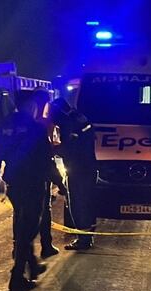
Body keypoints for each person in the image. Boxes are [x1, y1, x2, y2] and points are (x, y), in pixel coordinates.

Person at [0, 91, 57, 291]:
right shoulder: (35, 128)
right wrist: (58, 182)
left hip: (14, 183)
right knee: (30, 227)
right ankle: (17, 276)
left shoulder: (5, 124)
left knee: (22, 223)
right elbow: (46, 160)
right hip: (33, 183)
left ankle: (32, 265)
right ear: (29, 105)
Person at [49, 98, 97, 250]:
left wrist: (52, 149)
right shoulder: (79, 118)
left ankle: (84, 239)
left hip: (78, 169)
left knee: (77, 204)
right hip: (87, 167)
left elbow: (71, 149)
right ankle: (87, 235)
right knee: (86, 203)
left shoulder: (69, 124)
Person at [33, 88, 65, 258]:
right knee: (44, 210)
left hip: (21, 176)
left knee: (21, 213)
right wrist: (60, 183)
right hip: (41, 173)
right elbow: (49, 153)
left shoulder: (22, 120)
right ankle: (45, 245)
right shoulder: (44, 123)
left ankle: (20, 247)